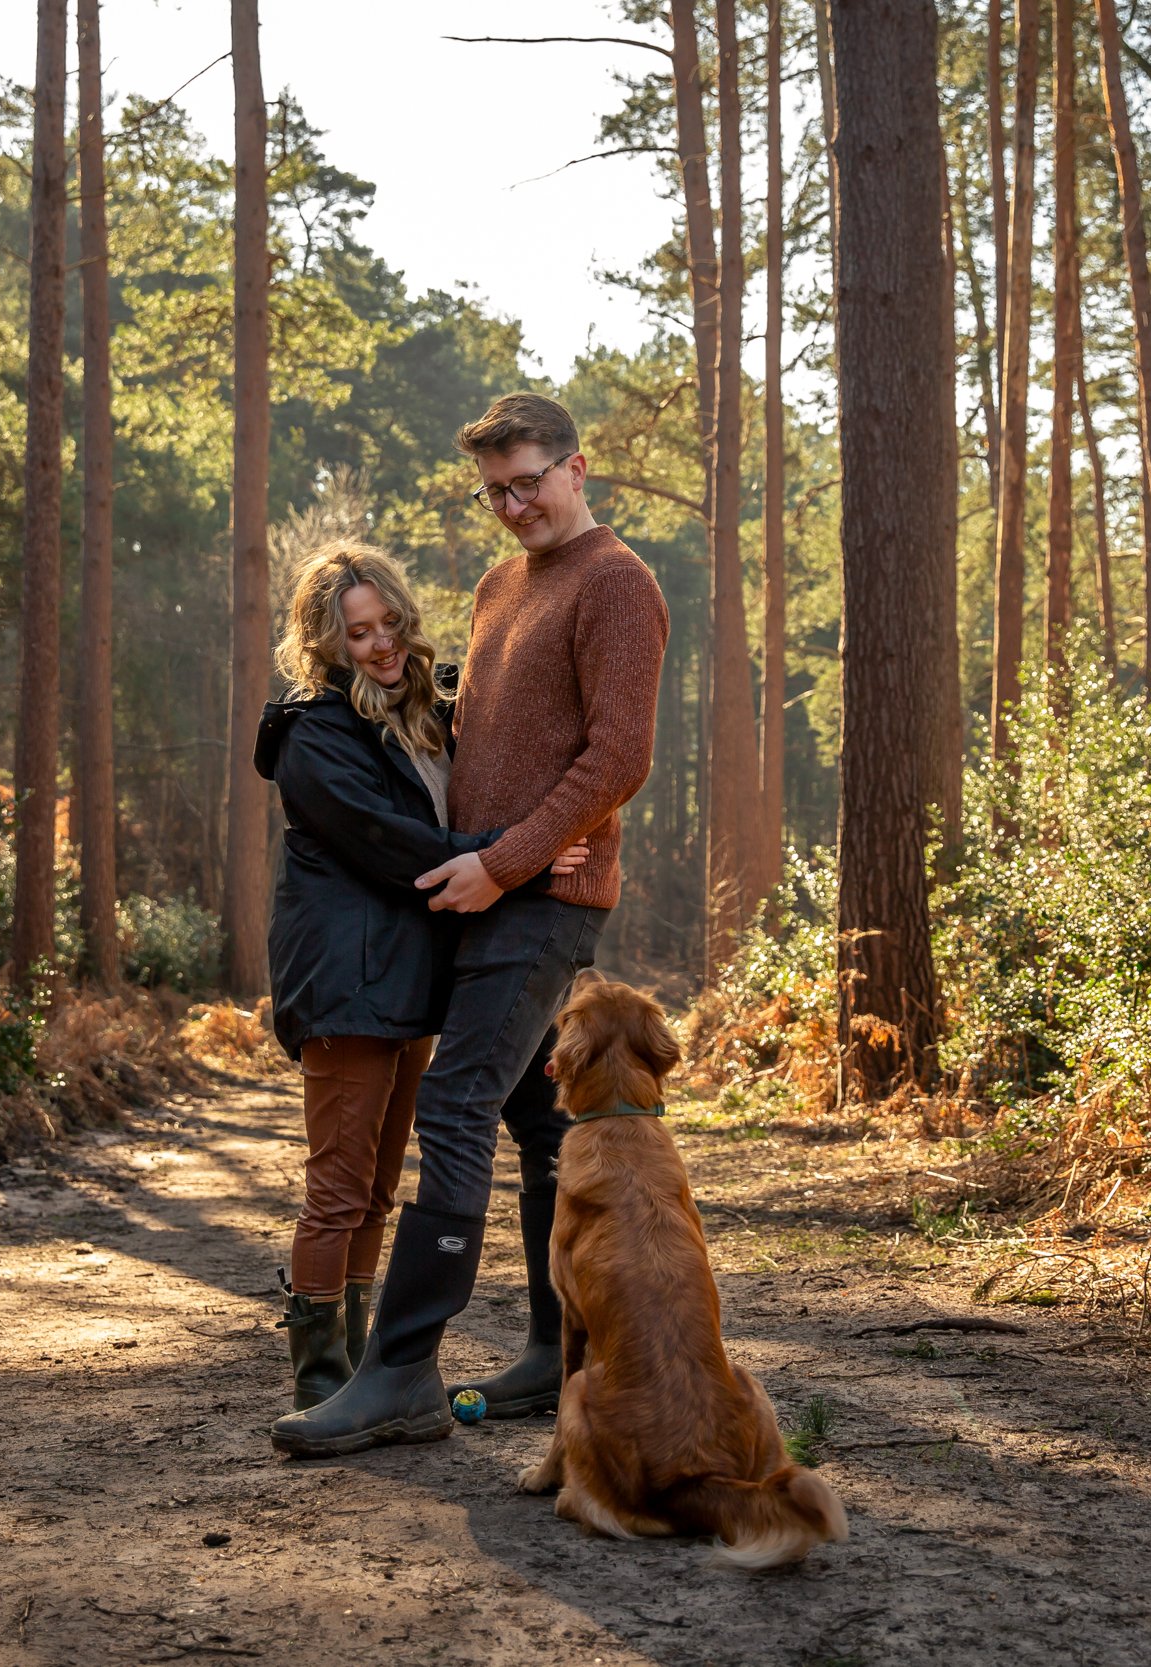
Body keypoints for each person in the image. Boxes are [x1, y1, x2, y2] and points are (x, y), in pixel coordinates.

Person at [272, 393, 668, 1457]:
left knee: (451, 1107)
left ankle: (398, 1370)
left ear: (575, 468)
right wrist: (496, 851)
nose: (513, 502)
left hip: (535, 903)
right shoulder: (503, 583)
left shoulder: (618, 585)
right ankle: (557, 1348)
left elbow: (617, 755)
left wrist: (509, 858)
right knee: (538, 1126)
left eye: (529, 480)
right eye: (494, 488)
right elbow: (468, 745)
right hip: (500, 888)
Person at [253, 542, 590, 1410]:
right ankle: (321, 1375)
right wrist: (528, 853)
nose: (379, 644)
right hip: (344, 984)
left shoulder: (421, 713)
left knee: (376, 1188)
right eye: (357, 632)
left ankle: (360, 1370)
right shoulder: (315, 734)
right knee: (337, 1188)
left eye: (388, 623)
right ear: (325, 643)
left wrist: (545, 831)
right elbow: (395, 845)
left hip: (404, 981)